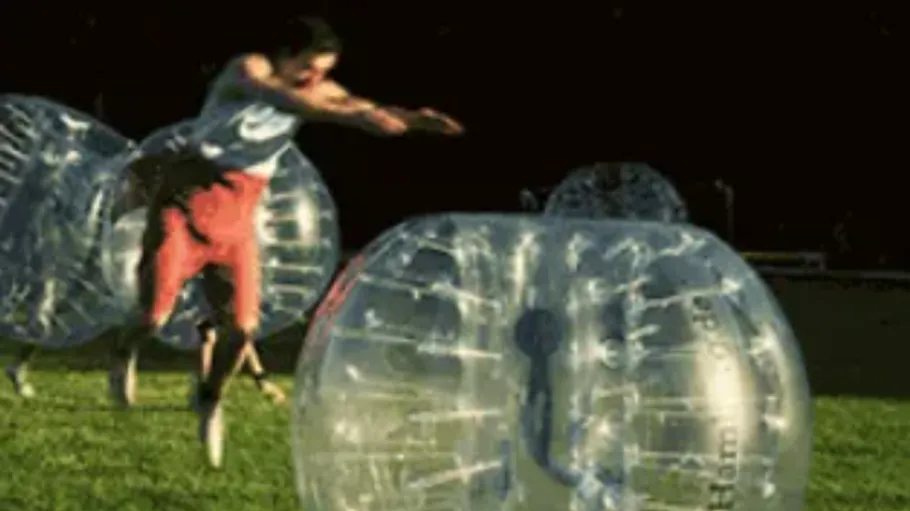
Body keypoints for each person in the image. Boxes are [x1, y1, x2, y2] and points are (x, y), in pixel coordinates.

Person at [109, 17, 463, 467]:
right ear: (285, 55)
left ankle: (209, 396)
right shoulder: (249, 70)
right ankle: (125, 350)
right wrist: (351, 116)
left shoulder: (318, 90)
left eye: (323, 72)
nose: (315, 80)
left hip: (238, 215)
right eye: (309, 69)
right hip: (185, 200)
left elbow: (357, 102)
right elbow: (288, 98)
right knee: (154, 313)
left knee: (242, 329)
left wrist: (411, 119)